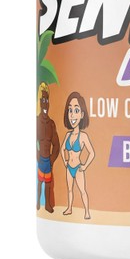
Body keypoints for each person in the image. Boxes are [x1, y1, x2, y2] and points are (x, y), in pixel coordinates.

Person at [61, 92, 95, 219]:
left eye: (76, 110)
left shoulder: (83, 136)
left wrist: (85, 166)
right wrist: (65, 161)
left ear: (82, 115)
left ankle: (87, 212)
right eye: (70, 110)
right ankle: (69, 208)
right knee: (69, 190)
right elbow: (62, 149)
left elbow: (92, 153)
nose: (72, 115)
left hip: (78, 168)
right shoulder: (68, 135)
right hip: (69, 167)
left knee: (82, 191)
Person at [37, 83, 60, 213]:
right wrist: (37, 155)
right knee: (39, 182)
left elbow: (57, 144)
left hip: (48, 161)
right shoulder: (36, 121)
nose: (45, 104)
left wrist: (52, 159)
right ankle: (37, 203)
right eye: (43, 100)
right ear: (40, 102)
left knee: (48, 184)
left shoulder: (51, 124)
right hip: (39, 159)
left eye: (47, 101)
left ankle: (47, 205)